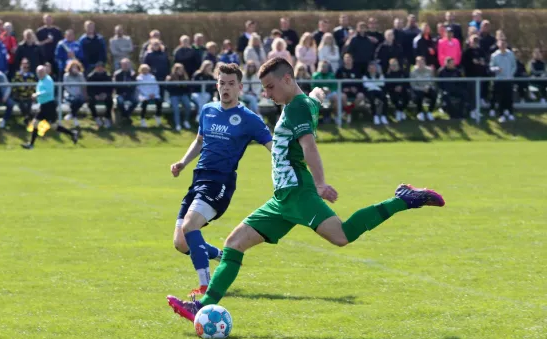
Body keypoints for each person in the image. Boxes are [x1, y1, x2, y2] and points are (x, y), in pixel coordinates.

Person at [166, 57, 445, 321]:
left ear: (287, 79)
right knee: (233, 244)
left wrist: (320, 182)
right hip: (281, 199)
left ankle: (403, 199)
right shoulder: (303, 103)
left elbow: (308, 144)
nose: (267, 94)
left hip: (298, 192)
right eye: (264, 89)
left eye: (270, 87)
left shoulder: (297, 106)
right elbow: (314, 100)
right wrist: (319, 95)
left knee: (342, 236)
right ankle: (202, 305)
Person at [169, 62, 273, 297]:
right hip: (198, 179)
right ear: (217, 85)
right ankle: (221, 255)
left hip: (220, 183)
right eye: (222, 83)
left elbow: (272, 146)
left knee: (189, 226)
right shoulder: (207, 110)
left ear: (240, 88)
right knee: (180, 243)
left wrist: (289, 162)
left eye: (231, 84)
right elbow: (199, 141)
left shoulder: (249, 118)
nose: (225, 88)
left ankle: (206, 286)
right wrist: (183, 163)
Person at [22, 65, 79, 149]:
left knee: (51, 125)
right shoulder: (41, 80)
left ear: (45, 72)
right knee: (38, 123)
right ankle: (31, 144)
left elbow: (47, 91)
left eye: (41, 72)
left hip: (49, 105)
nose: (39, 74)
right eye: (38, 72)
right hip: (43, 105)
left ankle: (72, 133)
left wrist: (37, 94)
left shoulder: (48, 80)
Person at [86, 61, 113, 128]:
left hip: (105, 95)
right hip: (95, 95)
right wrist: (94, 95)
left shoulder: (108, 76)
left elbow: (111, 88)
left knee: (110, 101)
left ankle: (107, 118)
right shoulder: (90, 77)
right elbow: (89, 89)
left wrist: (106, 94)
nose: (100, 69)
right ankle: (96, 118)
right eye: (98, 67)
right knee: (90, 103)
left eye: (101, 67)